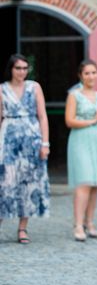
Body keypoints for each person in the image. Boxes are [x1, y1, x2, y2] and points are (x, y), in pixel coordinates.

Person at [0, 54, 50, 244]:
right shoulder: (2, 89)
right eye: (17, 68)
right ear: (11, 70)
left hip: (32, 139)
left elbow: (43, 116)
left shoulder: (34, 87)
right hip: (9, 140)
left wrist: (45, 143)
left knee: (28, 183)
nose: (21, 72)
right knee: (5, 182)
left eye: (24, 68)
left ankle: (23, 228)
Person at [65, 59, 97, 242]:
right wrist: (92, 121)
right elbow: (69, 121)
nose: (91, 76)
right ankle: (77, 224)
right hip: (80, 139)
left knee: (94, 183)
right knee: (84, 181)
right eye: (87, 73)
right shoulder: (74, 95)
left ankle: (90, 221)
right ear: (80, 76)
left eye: (94, 72)